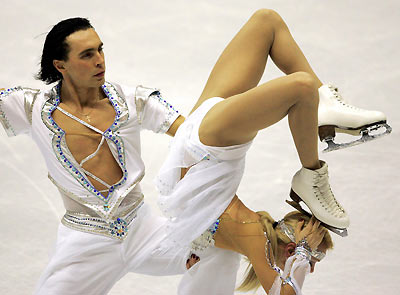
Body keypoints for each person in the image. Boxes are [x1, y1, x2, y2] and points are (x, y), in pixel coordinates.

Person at [0, 17, 241, 295]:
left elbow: (194, 135)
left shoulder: (132, 100)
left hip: (144, 230)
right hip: (85, 242)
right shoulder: (31, 108)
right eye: (87, 55)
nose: (100, 61)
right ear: (60, 65)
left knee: (221, 249)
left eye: (100, 50)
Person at [155, 8, 389, 293]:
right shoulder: (254, 236)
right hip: (202, 144)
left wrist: (303, 250)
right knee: (271, 30)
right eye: (314, 259)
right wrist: (303, 253)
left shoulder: (253, 235)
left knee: (294, 72)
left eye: (314, 260)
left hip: (209, 144)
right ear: (291, 247)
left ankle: (316, 149)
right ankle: (319, 135)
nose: (311, 268)